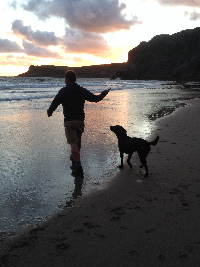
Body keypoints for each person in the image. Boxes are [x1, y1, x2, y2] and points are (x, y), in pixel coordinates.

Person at [47, 69, 111, 177]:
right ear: (75, 79)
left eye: (65, 79)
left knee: (73, 144)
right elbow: (95, 99)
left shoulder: (63, 91)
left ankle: (79, 167)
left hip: (70, 121)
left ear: (67, 79)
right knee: (77, 142)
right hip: (80, 121)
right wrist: (104, 93)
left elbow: (55, 102)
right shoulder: (81, 90)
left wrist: (50, 111)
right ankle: (75, 158)